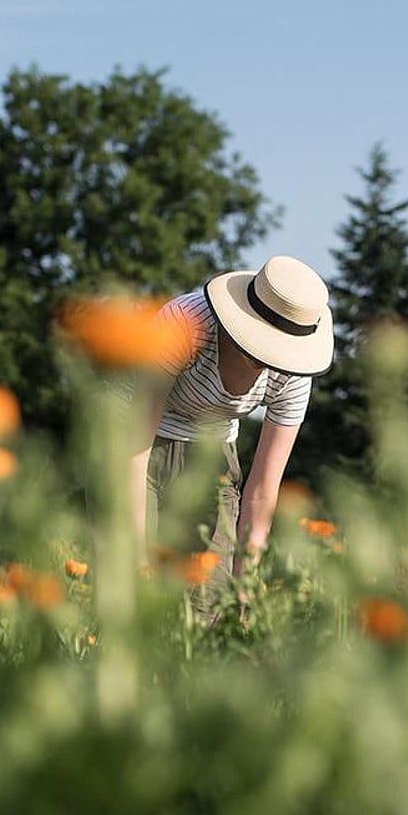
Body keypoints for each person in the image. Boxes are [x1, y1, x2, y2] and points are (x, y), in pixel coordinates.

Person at [130, 254, 334, 600]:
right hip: (137, 445)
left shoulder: (295, 375)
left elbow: (261, 489)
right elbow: (132, 445)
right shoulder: (187, 322)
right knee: (129, 592)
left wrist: (245, 586)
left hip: (213, 454)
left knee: (207, 598)